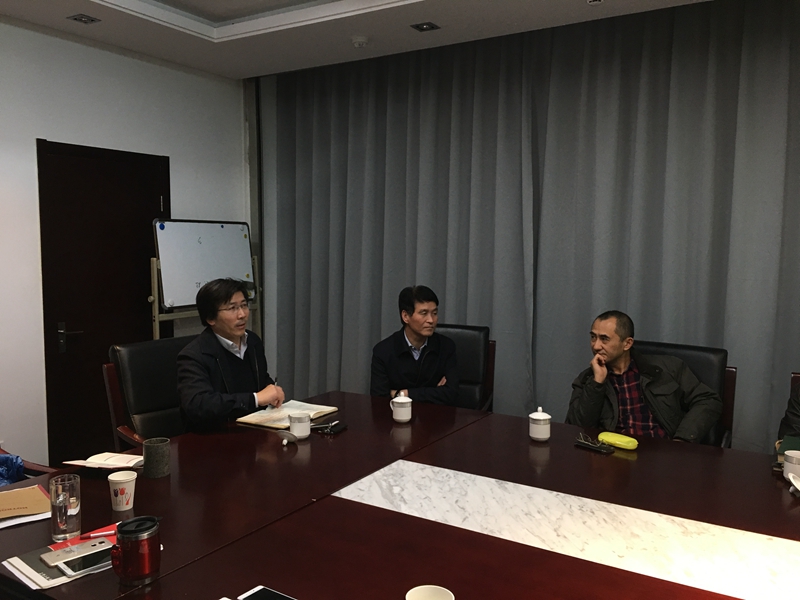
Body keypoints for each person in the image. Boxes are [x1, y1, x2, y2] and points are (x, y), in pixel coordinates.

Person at [566, 310, 722, 442]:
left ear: (627, 343)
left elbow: (708, 400)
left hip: (662, 454)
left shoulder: (666, 369)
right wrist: (597, 383)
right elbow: (577, 428)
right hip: (612, 455)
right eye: (593, 337)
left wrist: (683, 439)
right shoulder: (587, 379)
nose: (595, 346)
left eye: (604, 339)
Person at [178, 278, 284, 431]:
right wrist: (255, 399)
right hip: (214, 437)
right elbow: (199, 404)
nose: (242, 314)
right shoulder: (193, 356)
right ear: (210, 318)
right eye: (232, 308)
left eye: (244, 305)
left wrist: (271, 389)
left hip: (254, 429)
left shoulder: (252, 341)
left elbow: (260, 380)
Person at [370, 285, 459, 405]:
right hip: (396, 415)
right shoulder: (383, 351)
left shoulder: (446, 347)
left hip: (435, 415)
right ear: (405, 316)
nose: (431, 320)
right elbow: (379, 400)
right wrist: (433, 392)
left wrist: (402, 394)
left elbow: (451, 394)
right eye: (424, 313)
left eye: (434, 313)